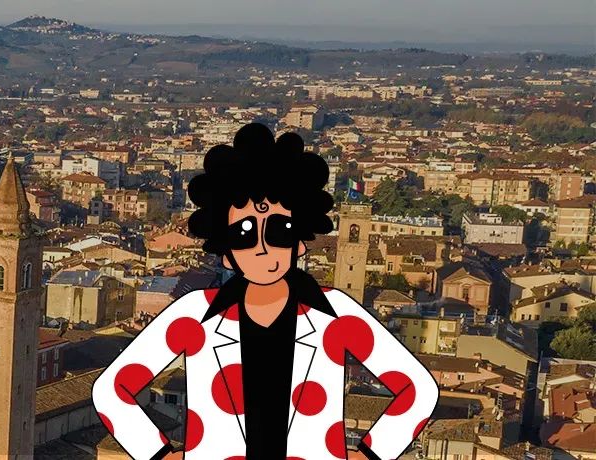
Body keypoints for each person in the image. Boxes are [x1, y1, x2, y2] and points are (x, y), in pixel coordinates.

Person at [92, 123, 437, 460]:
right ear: (226, 252)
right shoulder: (193, 315)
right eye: (244, 235)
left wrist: (371, 453)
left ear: (299, 244)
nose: (262, 247)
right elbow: (111, 392)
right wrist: (159, 454)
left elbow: (418, 389)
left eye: (279, 231)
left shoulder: (336, 314)